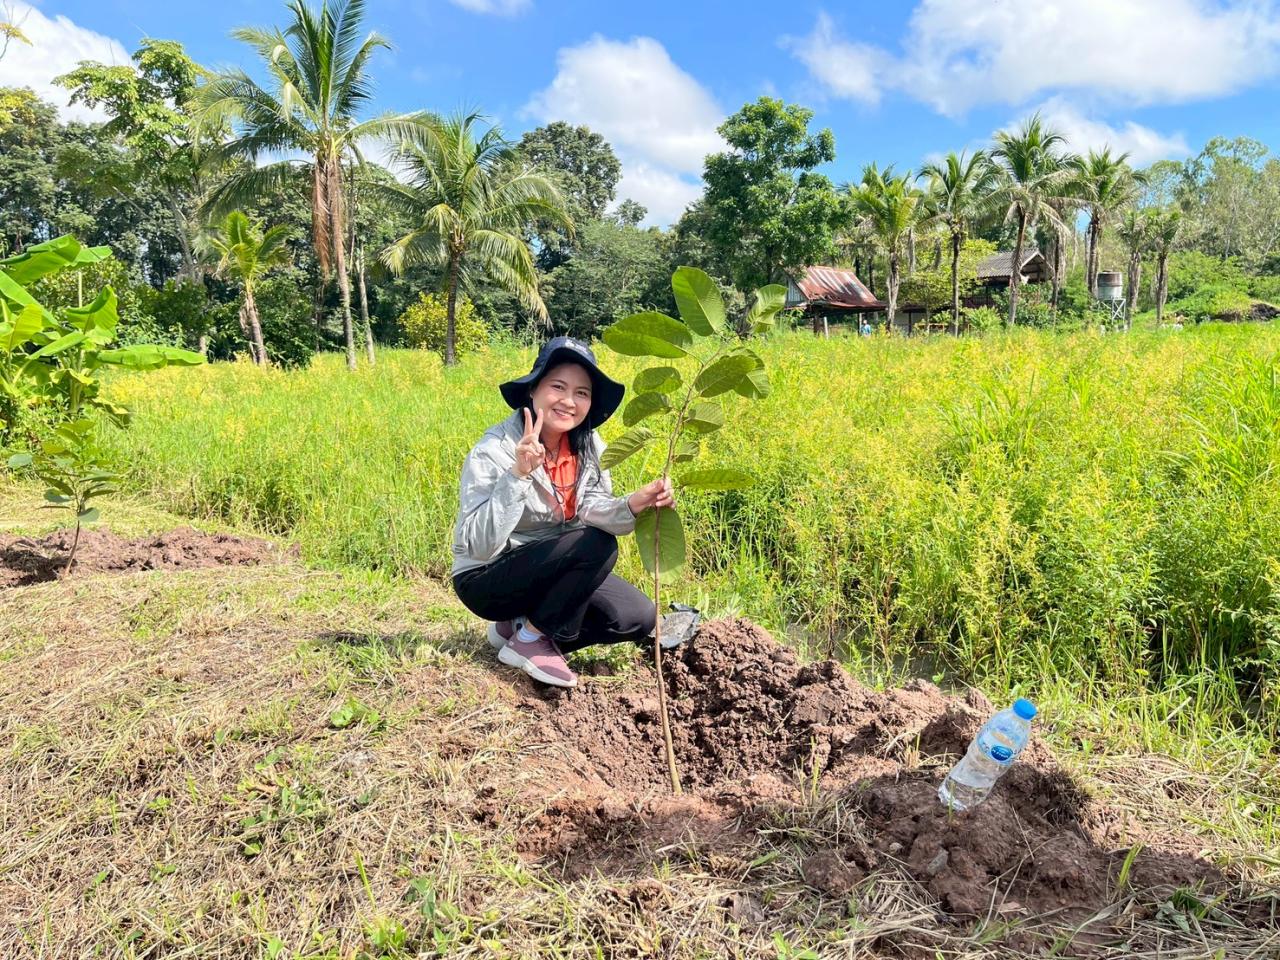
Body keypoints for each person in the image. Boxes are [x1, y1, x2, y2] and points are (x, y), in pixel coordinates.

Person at [450, 336, 674, 689]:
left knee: (638, 617)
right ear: (533, 389)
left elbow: (593, 507)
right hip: (486, 577)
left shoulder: (588, 446)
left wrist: (633, 503)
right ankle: (531, 640)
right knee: (597, 544)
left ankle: (516, 628)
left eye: (582, 392)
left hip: (550, 569)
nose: (569, 401)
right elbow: (478, 546)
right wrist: (518, 475)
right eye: (558, 386)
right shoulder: (494, 449)